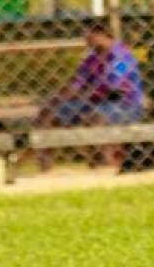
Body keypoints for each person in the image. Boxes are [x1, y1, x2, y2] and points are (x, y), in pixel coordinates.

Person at [37, 20, 144, 169]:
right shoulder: (92, 59)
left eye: (89, 35)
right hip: (92, 102)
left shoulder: (122, 56)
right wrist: (57, 98)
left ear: (100, 35)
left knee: (96, 117)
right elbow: (78, 83)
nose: (85, 39)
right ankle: (45, 167)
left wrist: (86, 94)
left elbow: (116, 88)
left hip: (124, 104)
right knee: (48, 113)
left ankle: (106, 165)